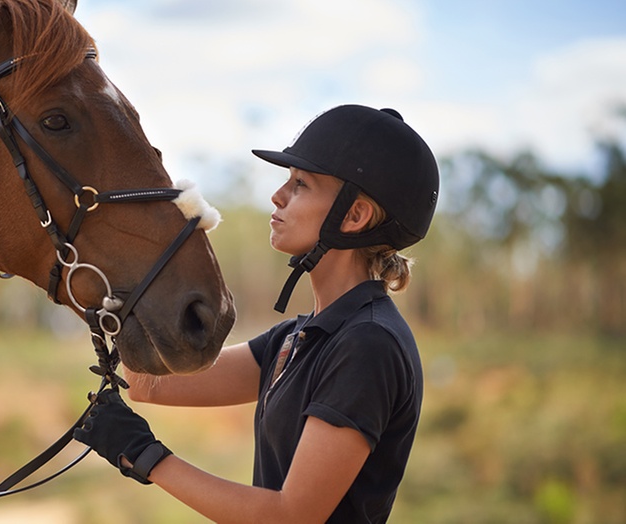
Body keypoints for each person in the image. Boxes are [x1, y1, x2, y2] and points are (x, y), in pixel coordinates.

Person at [74, 104, 439, 523]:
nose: (278, 195)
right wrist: (108, 266)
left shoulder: (368, 344)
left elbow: (291, 516)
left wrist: (146, 456)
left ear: (354, 216)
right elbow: (148, 384)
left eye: (301, 184)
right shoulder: (298, 338)